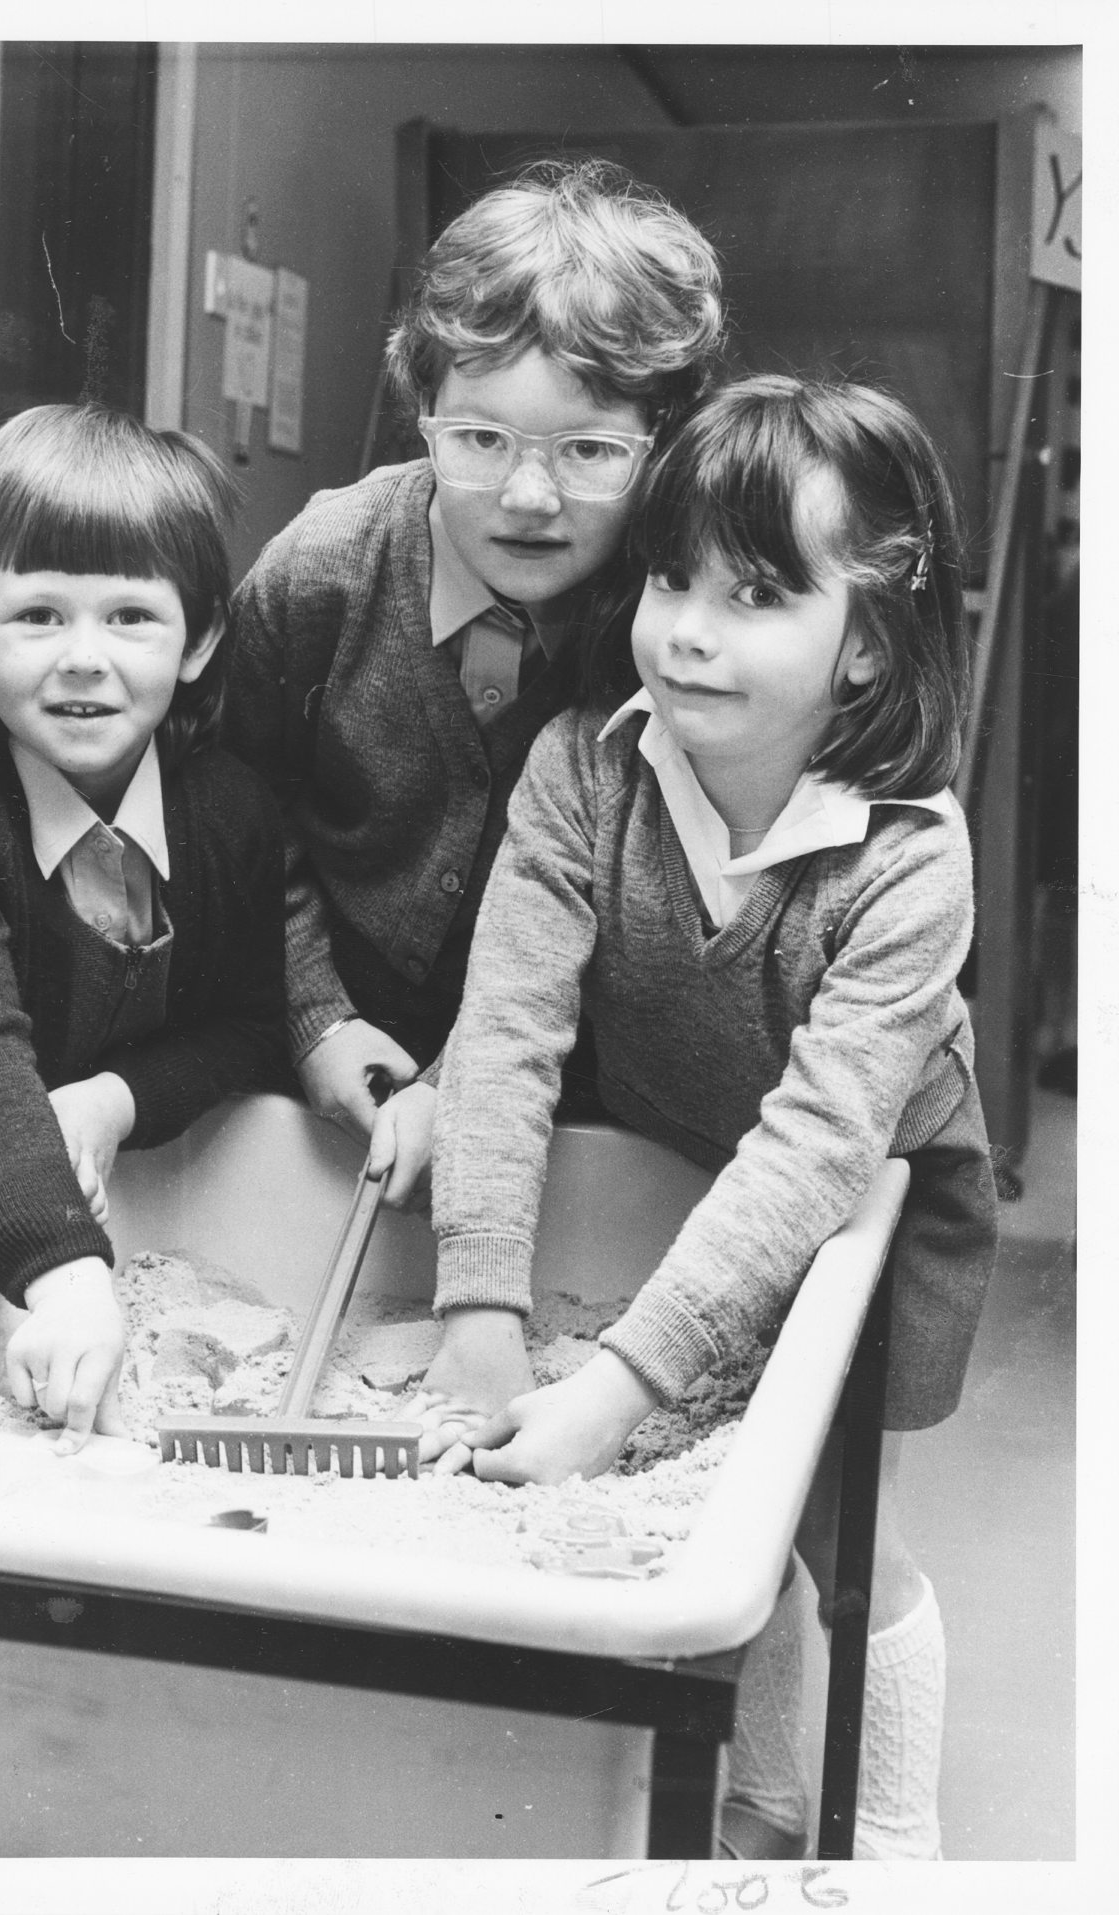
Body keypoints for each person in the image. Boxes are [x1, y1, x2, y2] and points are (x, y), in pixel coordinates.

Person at [423, 375, 998, 1860]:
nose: (687, 628)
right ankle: (739, 1825)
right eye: (671, 577)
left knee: (822, 1533)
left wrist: (615, 1389)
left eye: (755, 594)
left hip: (868, 1190)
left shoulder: (910, 859)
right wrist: (480, 1303)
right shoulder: (583, 769)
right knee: (694, 1510)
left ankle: (883, 1838)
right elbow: (503, 1031)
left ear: (864, 638)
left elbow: (819, 1147)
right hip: (679, 1148)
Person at [224, 158, 725, 1246]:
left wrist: (469, 1089)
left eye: (591, 450)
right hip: (301, 1070)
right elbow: (237, 823)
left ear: (666, 443)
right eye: (481, 440)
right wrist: (314, 1016)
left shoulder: (681, 633)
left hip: (564, 1098)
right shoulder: (320, 572)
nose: (530, 497)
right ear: (422, 410)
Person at [0, 405, 286, 1454]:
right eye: (40, 615)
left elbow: (247, 1025)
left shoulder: (230, 809)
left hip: (153, 1211)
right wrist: (65, 1280)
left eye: (130, 618)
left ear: (197, 640)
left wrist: (114, 1101)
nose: (84, 658)